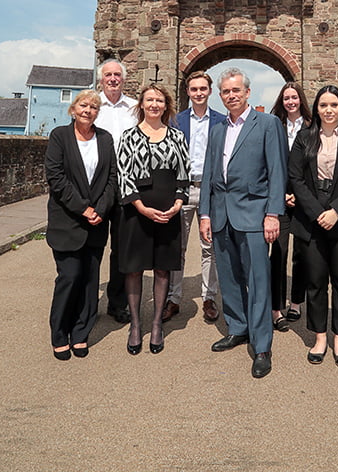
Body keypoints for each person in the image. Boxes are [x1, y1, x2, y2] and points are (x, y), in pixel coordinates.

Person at [199, 67, 288, 378]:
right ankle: (238, 328)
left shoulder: (267, 124)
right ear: (220, 95)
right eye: (225, 91)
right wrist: (206, 214)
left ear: (248, 92)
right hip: (222, 215)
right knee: (230, 278)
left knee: (259, 282)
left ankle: (262, 345)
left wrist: (273, 213)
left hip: (254, 215)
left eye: (236, 90)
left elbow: (278, 172)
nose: (231, 95)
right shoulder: (217, 129)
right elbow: (210, 175)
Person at [289, 85, 338, 367]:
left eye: (334, 105)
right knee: (315, 281)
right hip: (311, 218)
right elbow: (296, 179)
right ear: (317, 109)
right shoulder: (304, 138)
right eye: (323, 105)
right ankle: (320, 336)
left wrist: (336, 211)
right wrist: (315, 212)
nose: (329, 110)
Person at [117, 85, 190, 356]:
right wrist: (141, 206)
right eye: (150, 100)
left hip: (168, 210)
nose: (154, 104)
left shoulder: (177, 137)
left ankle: (157, 324)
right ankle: (136, 325)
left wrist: (178, 205)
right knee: (134, 269)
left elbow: (184, 174)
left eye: (159, 100)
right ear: (142, 104)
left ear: (166, 105)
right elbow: (123, 176)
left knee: (162, 269)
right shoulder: (128, 136)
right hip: (137, 211)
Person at [45, 90, 117, 360]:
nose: (88, 110)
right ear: (73, 109)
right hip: (67, 221)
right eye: (84, 105)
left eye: (94, 107)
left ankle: (81, 332)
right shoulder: (59, 137)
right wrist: (83, 208)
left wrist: (100, 209)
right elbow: (56, 178)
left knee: (89, 280)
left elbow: (112, 178)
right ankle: (59, 333)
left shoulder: (105, 138)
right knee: (70, 276)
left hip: (97, 222)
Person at [162, 71, 225, 324]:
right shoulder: (176, 120)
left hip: (211, 190)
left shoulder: (222, 121)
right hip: (183, 190)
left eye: (203, 88)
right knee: (178, 247)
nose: (198, 93)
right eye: (193, 89)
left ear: (209, 91)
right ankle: (174, 298)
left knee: (210, 247)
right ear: (187, 92)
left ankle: (209, 297)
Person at [95, 58, 138, 324]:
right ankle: (88, 303)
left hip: (126, 188)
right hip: (97, 189)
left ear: (123, 79)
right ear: (101, 79)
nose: (113, 79)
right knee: (92, 247)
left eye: (117, 75)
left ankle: (117, 302)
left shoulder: (134, 108)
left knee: (122, 250)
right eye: (108, 75)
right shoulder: (92, 105)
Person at [269, 81, 311, 330]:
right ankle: (276, 307)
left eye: (294, 97)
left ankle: (296, 301)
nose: (291, 102)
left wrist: (300, 194)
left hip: (304, 199)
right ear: (281, 101)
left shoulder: (312, 125)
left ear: (301, 99)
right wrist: (281, 194)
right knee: (278, 252)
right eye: (286, 98)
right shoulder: (275, 124)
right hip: (280, 197)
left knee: (302, 254)